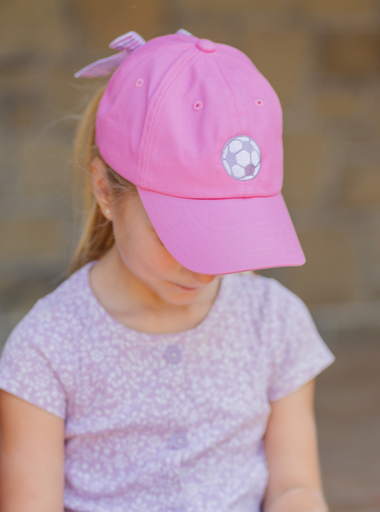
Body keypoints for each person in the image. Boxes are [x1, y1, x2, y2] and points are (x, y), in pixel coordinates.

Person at [0, 30, 335, 512]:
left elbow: (294, 487)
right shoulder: (47, 348)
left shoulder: (275, 323)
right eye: (179, 235)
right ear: (104, 189)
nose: (202, 268)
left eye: (226, 235)